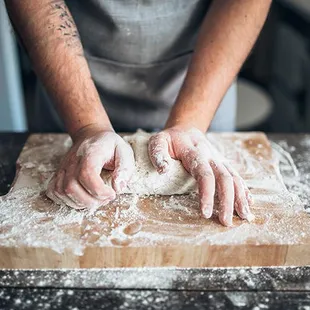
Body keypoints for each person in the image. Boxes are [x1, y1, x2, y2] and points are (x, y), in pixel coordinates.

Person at [5, 0, 271, 226]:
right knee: (81, 176)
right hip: (70, 73)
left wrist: (190, 123)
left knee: (204, 173)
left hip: (203, 73)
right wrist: (87, 126)